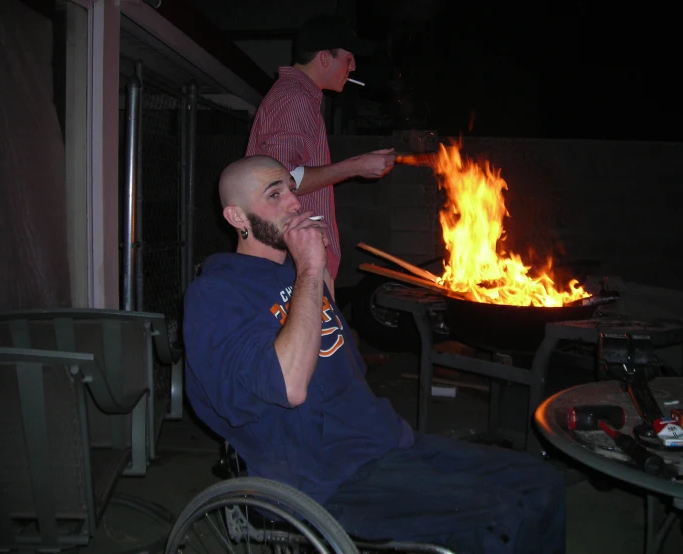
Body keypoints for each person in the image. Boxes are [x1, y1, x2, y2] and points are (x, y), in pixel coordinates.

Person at [183, 155, 567, 554]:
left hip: (384, 441)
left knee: (542, 483)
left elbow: (341, 363)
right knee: (501, 518)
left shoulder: (295, 274)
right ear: (237, 217)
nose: (295, 203)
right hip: (323, 474)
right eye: (274, 194)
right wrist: (312, 268)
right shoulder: (217, 294)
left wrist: (316, 275)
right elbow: (290, 386)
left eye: (292, 191)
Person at [245, 14, 396, 298]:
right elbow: (281, 181)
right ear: (325, 58)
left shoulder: (301, 96)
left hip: (297, 260)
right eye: (349, 58)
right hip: (292, 262)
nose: (353, 66)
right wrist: (356, 166)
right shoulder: (294, 97)